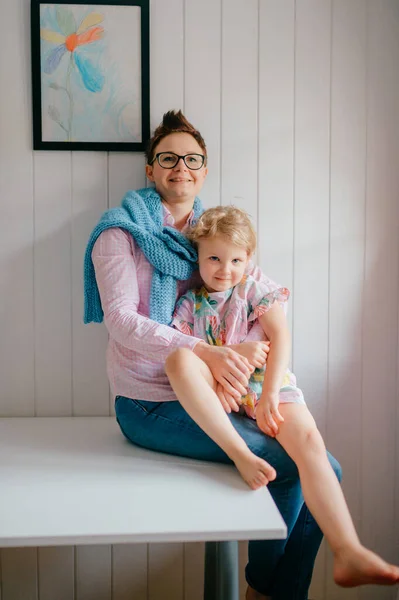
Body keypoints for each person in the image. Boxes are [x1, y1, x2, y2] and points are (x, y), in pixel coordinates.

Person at [82, 109, 389, 599]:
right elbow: (121, 320)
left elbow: (257, 306)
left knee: (322, 465)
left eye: (191, 159)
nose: (179, 167)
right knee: (301, 467)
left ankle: (273, 588)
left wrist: (251, 370)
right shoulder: (121, 234)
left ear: (204, 170)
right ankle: (269, 590)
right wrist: (208, 352)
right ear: (150, 169)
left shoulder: (215, 237)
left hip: (222, 389)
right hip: (151, 401)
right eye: (167, 158)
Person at [165, 204, 399, 590]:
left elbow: (280, 339)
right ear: (199, 257)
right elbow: (193, 358)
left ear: (249, 259)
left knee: (309, 443)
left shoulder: (255, 289)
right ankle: (264, 580)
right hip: (235, 397)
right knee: (185, 363)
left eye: (236, 259)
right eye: (214, 258)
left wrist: (271, 394)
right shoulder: (191, 306)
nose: (225, 269)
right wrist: (222, 382)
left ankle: (349, 551)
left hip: (271, 387)